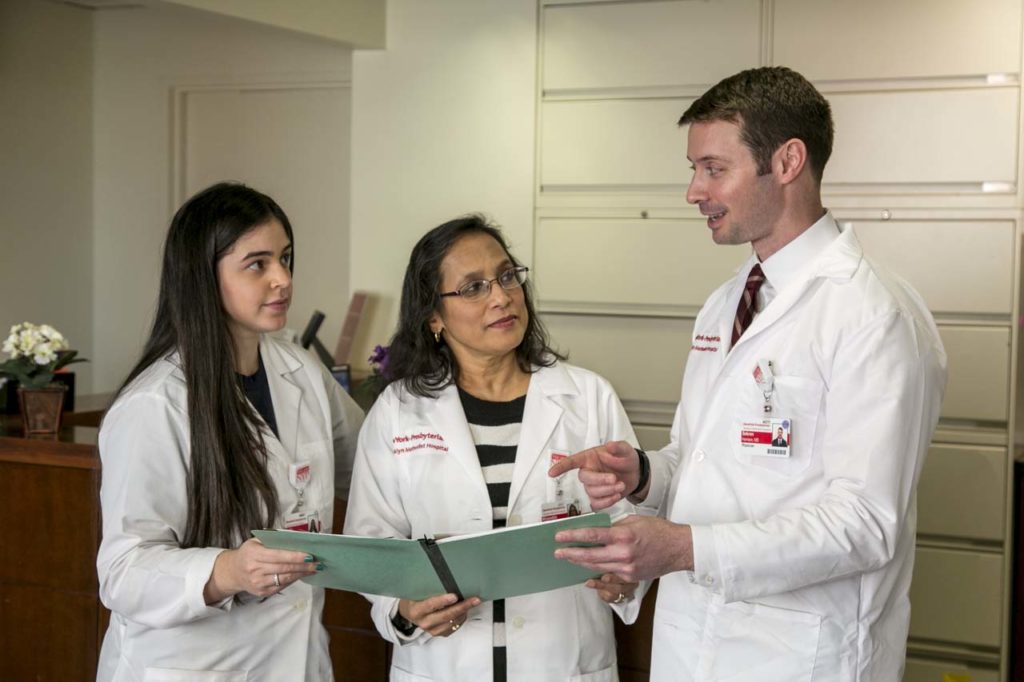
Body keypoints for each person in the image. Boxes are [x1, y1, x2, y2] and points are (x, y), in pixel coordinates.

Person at [550, 66, 947, 681]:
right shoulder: (726, 303)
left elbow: (865, 526)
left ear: (787, 162)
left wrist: (684, 547)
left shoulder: (873, 315)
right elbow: (705, 460)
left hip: (802, 658)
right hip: (693, 646)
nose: (693, 191)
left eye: (714, 168)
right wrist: (646, 474)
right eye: (694, 169)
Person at [344, 215, 643, 681]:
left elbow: (633, 523)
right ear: (434, 316)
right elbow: (372, 545)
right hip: (443, 663)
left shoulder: (588, 398)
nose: (501, 297)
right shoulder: (398, 411)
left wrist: (625, 580)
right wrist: (402, 610)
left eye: (506, 276)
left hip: (564, 660)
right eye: (473, 288)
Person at [96, 182, 364, 681]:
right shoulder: (154, 405)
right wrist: (227, 571)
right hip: (193, 666)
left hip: (295, 662)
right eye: (257, 264)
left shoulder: (301, 371)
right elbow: (123, 571)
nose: (282, 279)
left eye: (285, 258)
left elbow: (371, 468)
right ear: (203, 276)